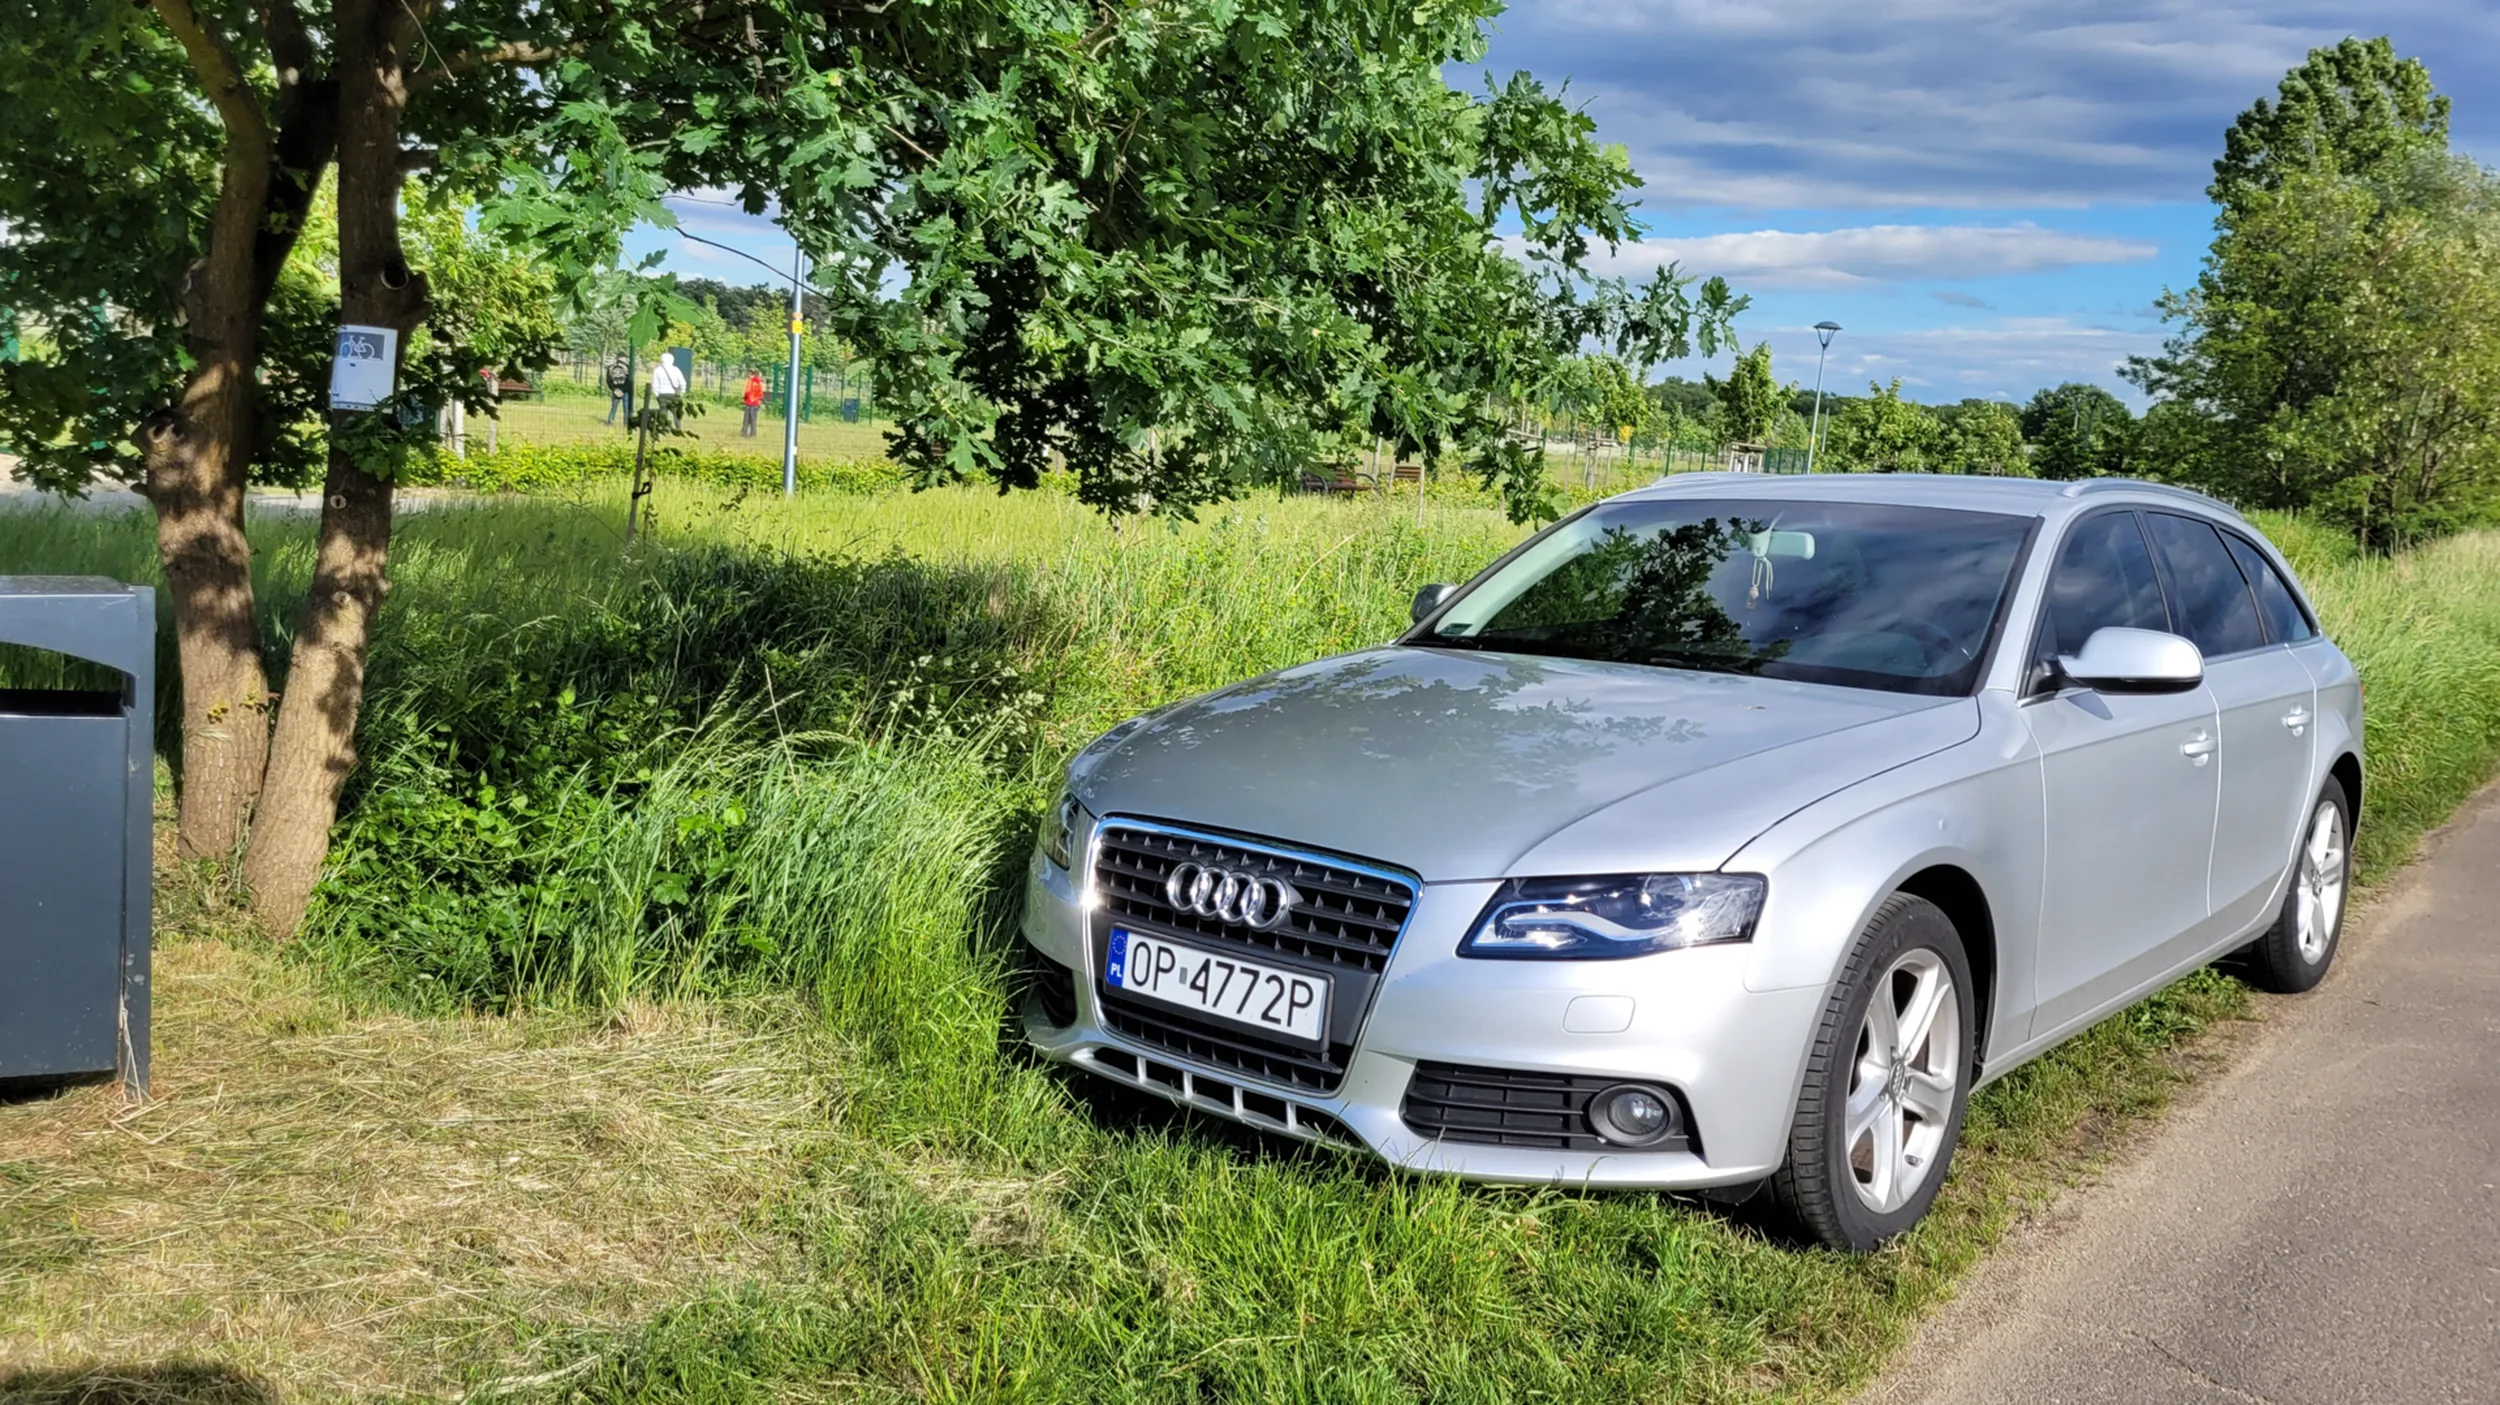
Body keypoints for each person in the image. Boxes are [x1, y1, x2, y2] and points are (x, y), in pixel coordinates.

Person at [649, 353, 686, 432]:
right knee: (676, 412)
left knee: (663, 412)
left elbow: (655, 385)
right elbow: (683, 382)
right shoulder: (676, 370)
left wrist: (657, 395)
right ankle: (678, 428)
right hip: (674, 395)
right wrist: (682, 392)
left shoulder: (657, 370)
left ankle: (663, 427)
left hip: (662, 395)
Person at [603, 355, 630, 425]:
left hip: (618, 390)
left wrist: (615, 389)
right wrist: (618, 390)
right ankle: (625, 424)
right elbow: (630, 381)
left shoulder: (611, 367)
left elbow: (608, 380)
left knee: (615, 408)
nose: (625, 359)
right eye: (624, 358)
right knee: (625, 409)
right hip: (623, 391)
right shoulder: (627, 367)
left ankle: (611, 422)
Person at [741, 370, 766, 437]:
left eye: (750, 374)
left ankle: (745, 433)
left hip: (752, 403)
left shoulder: (753, 382)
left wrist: (745, 398)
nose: (748, 375)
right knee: (751, 420)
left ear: (753, 374)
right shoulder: (754, 381)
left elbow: (748, 392)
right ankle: (750, 434)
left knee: (748, 420)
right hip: (753, 403)